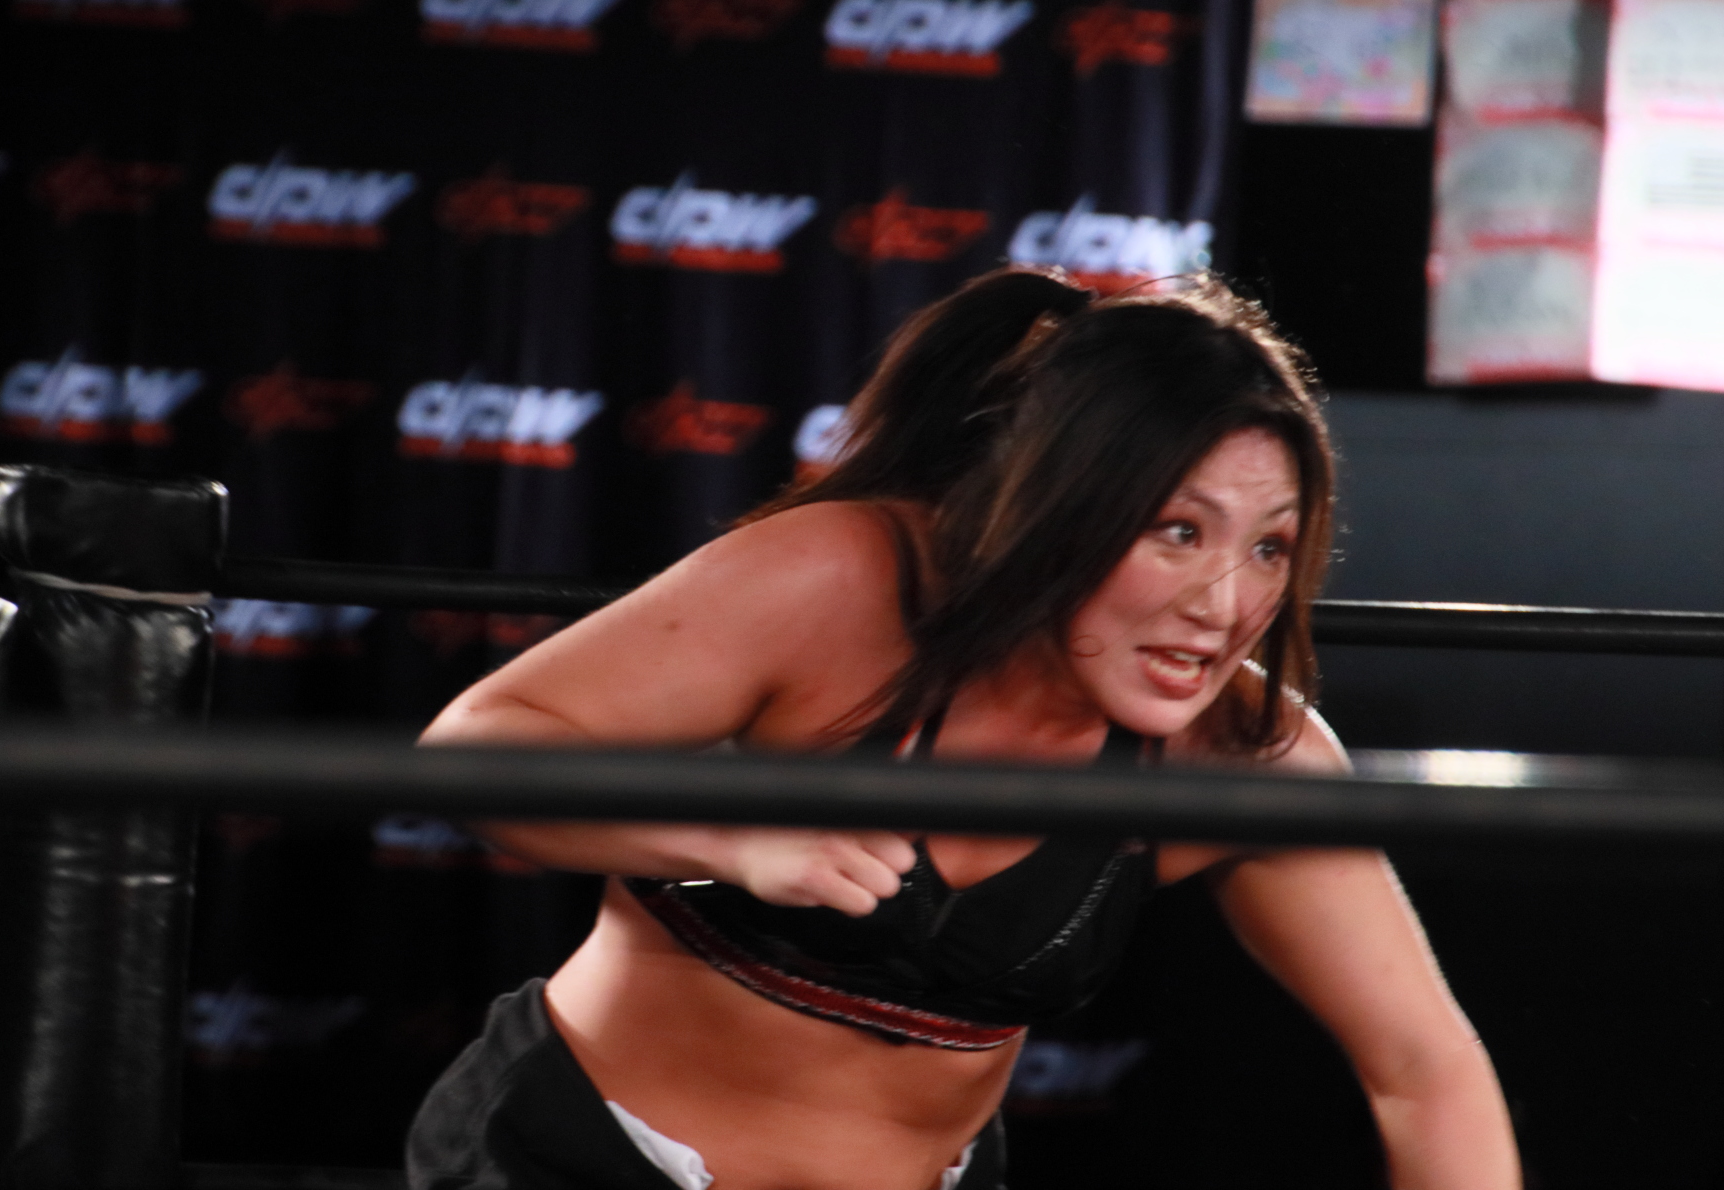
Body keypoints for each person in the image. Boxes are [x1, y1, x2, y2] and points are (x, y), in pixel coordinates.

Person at [410, 268, 1519, 1190]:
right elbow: (474, 749)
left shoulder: (1246, 755)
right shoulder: (841, 577)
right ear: (1061, 507)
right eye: (1178, 532)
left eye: (1269, 547)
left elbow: (1424, 1071)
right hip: (574, 1157)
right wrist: (733, 833)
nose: (1225, 604)